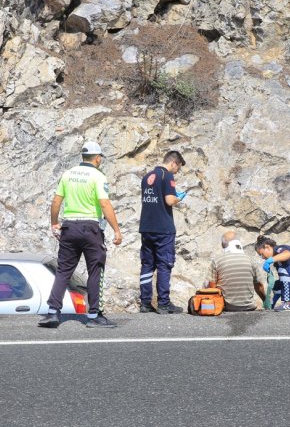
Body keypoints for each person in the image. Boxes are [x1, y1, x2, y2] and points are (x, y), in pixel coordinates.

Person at [39, 141, 123, 329]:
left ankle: (52, 313)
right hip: (91, 228)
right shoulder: (98, 176)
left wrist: (54, 224)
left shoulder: (68, 174)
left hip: (69, 227)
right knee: (95, 270)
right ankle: (94, 315)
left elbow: (55, 201)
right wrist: (116, 229)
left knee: (63, 270)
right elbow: (105, 204)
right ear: (98, 158)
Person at [138, 150, 187, 314]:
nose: (177, 172)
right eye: (178, 168)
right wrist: (179, 197)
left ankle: (145, 303)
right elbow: (169, 200)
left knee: (147, 264)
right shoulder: (167, 176)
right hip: (163, 229)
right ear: (174, 163)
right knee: (164, 265)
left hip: (146, 227)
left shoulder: (147, 177)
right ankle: (164, 303)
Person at [208, 231, 266, 311]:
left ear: (223, 245)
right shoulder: (250, 260)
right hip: (248, 307)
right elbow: (259, 286)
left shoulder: (217, 261)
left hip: (225, 308)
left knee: (208, 282)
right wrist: (265, 301)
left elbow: (211, 287)